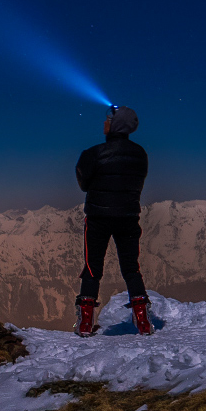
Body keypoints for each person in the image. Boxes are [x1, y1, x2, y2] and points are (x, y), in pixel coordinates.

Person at [73, 105, 153, 336]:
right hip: (128, 217)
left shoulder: (93, 154)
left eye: (108, 119)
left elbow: (84, 184)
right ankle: (143, 320)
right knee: (131, 267)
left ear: (115, 124)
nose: (104, 123)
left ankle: (85, 322)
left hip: (98, 217)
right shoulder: (141, 155)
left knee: (92, 267)